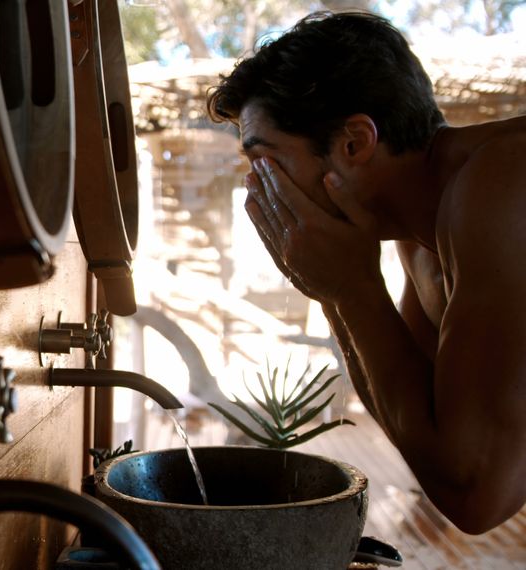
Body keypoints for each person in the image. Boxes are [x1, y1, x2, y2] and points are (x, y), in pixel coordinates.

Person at [206, 11, 526, 534]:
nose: (258, 186)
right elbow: (425, 433)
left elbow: (477, 493)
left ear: (354, 143)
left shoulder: (500, 187)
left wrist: (351, 291)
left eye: (268, 161)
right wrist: (337, 291)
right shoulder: (421, 241)